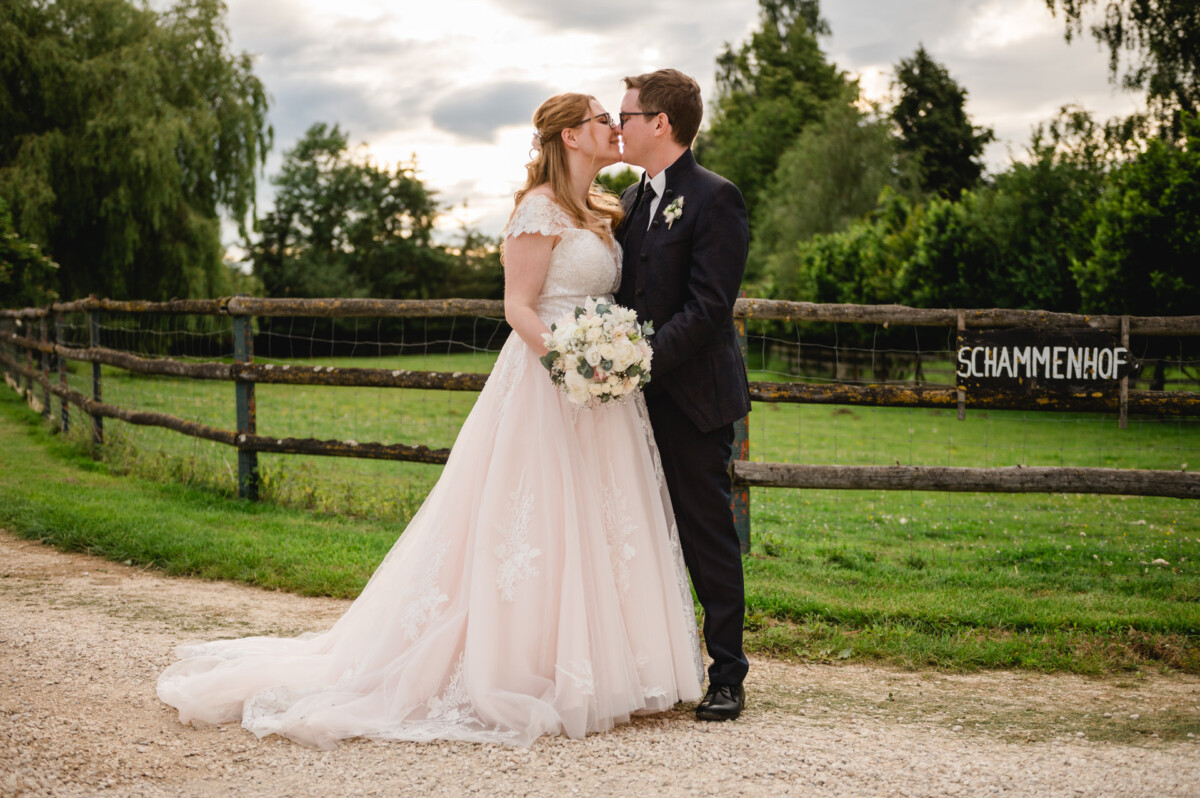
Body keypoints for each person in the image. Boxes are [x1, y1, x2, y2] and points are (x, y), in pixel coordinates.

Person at [156, 93, 703, 749]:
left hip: (602, 396)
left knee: (601, 521)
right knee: (535, 522)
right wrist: (569, 365)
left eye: (615, 118)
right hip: (545, 380)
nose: (613, 127)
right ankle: (523, 665)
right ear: (568, 137)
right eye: (600, 120)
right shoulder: (537, 210)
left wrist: (605, 363)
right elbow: (519, 307)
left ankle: (611, 666)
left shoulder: (607, 210)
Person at [614, 69, 752, 721]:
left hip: (693, 401)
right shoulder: (630, 199)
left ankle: (728, 673)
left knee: (706, 534)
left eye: (628, 116)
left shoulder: (715, 198)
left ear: (660, 124)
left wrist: (637, 361)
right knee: (638, 533)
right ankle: (650, 665)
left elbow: (708, 308)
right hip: (630, 404)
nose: (620, 127)